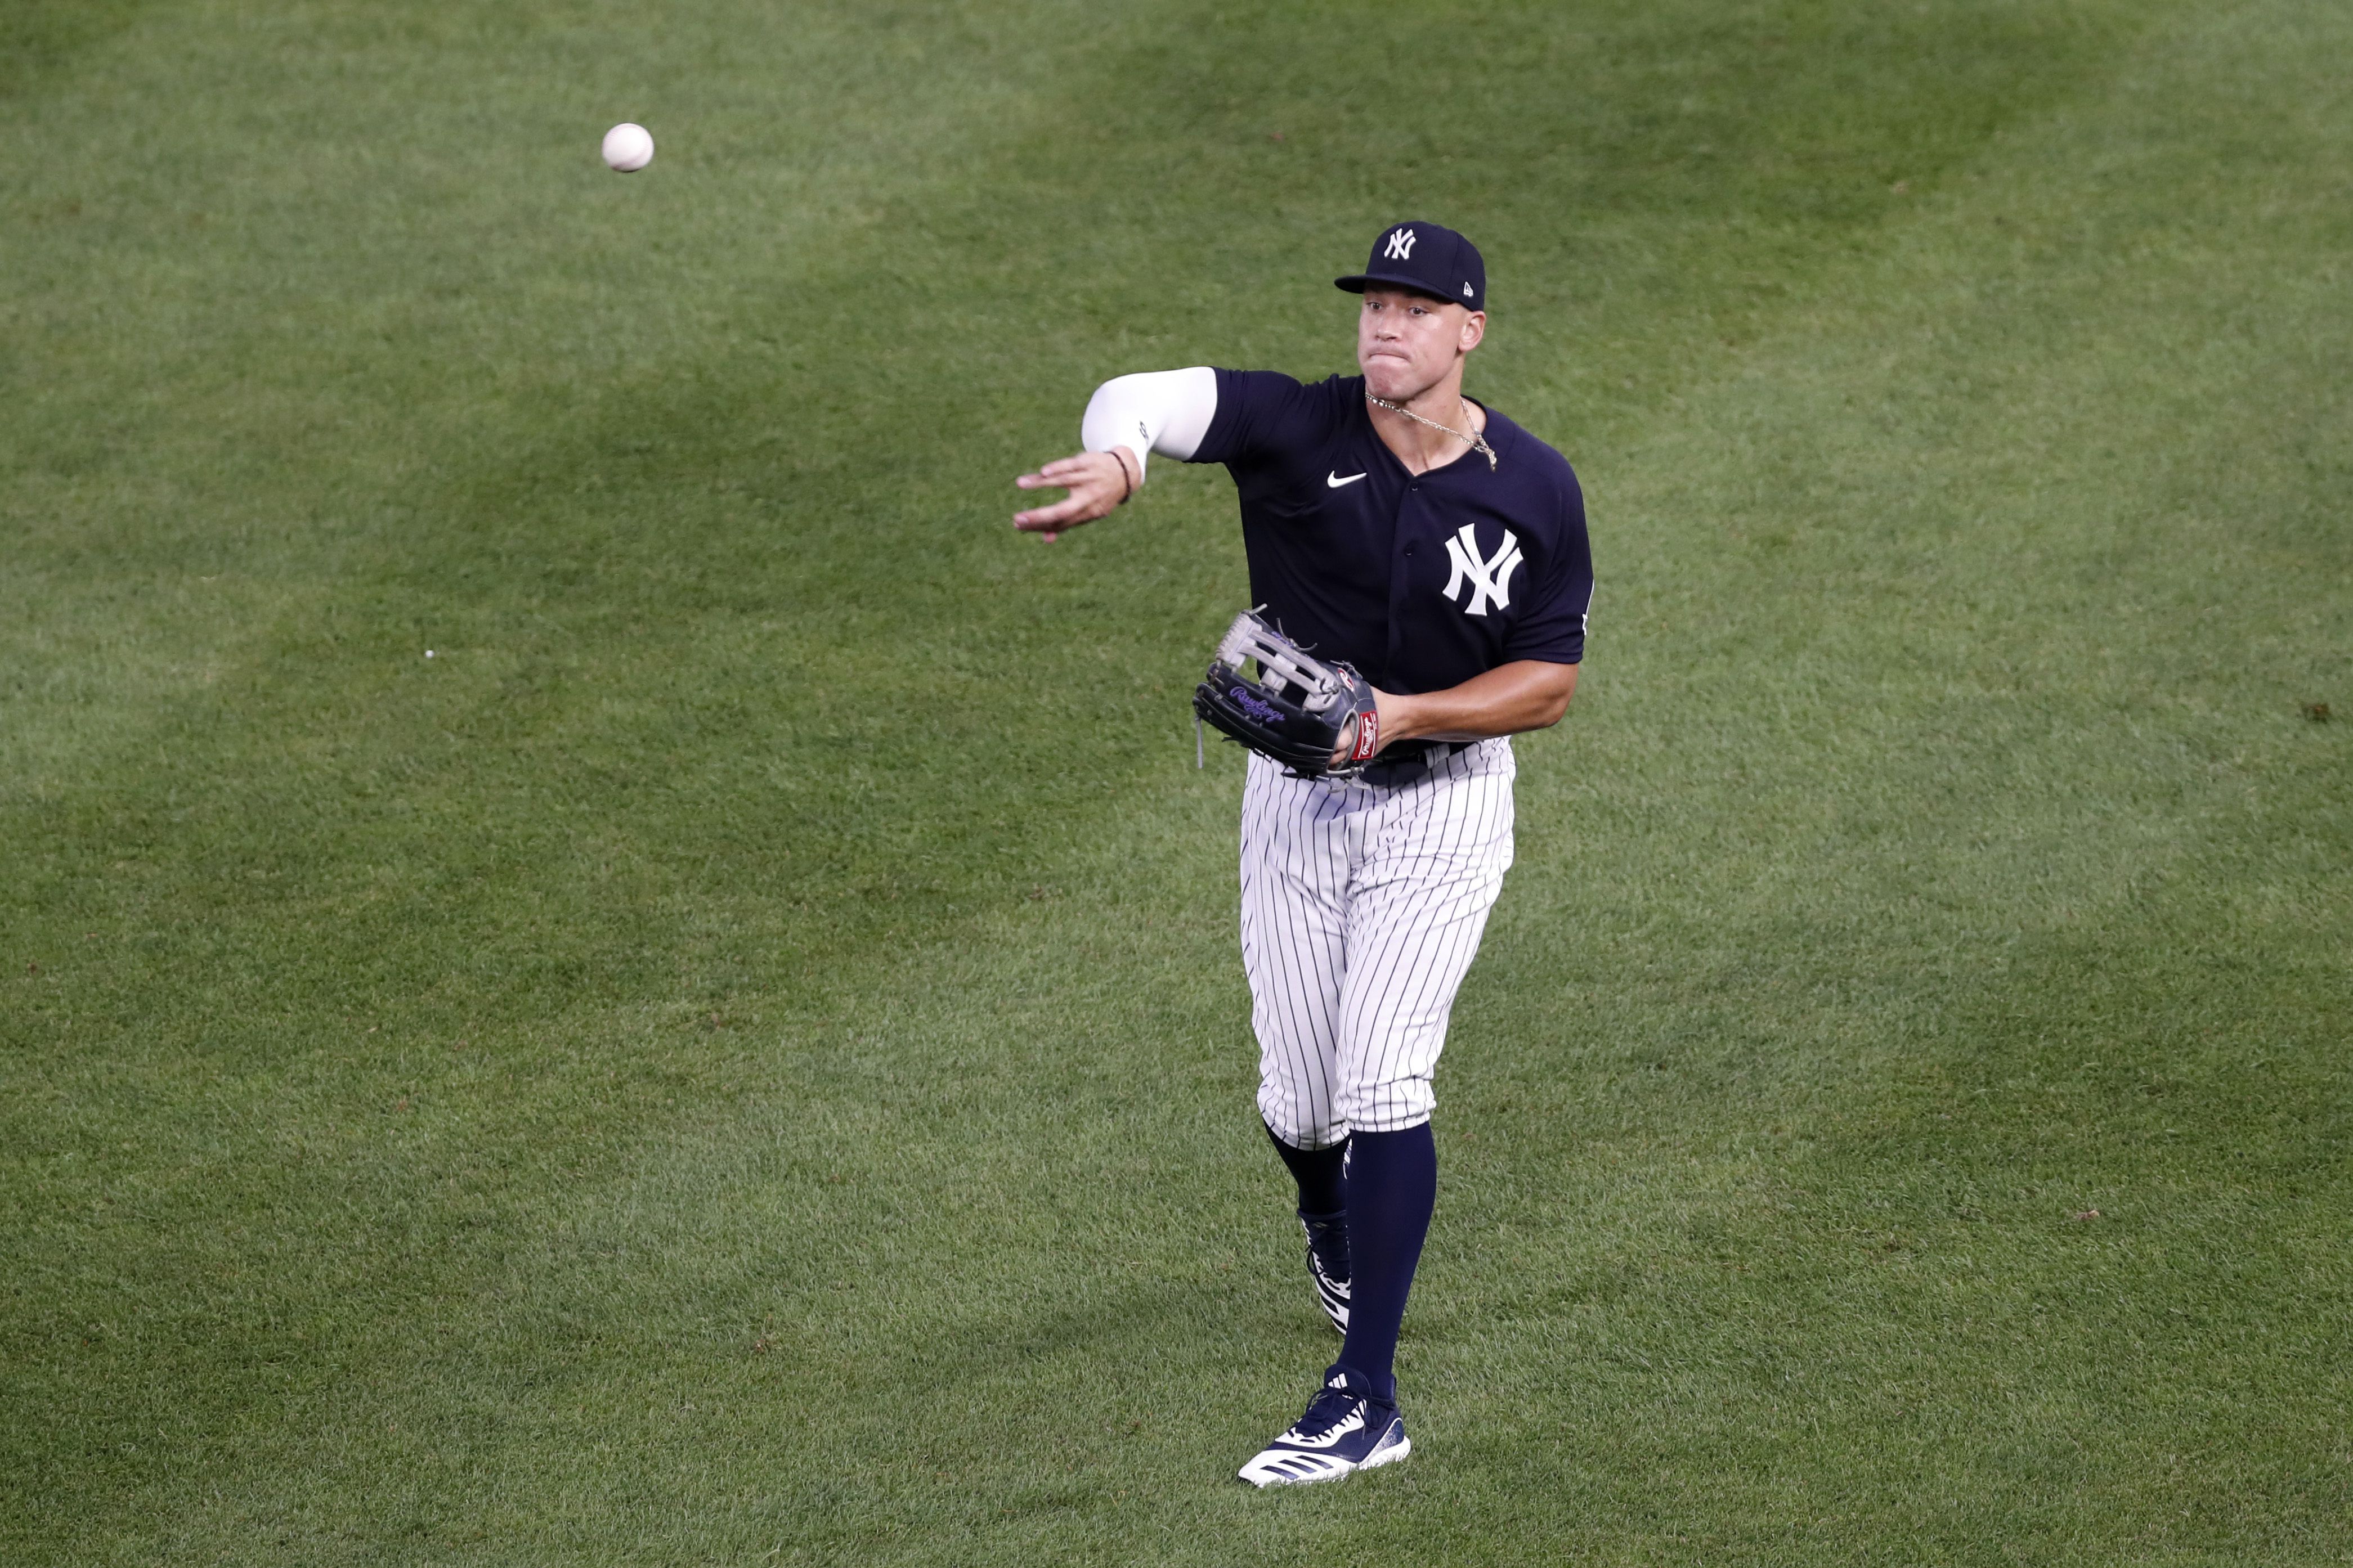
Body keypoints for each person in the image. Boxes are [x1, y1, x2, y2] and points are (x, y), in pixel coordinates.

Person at [1012, 221, 1593, 1486]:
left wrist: (1408, 714)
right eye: (1373, 305)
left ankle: (1365, 1393)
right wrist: (1123, 457)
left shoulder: (1534, 485)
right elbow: (1149, 396)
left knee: (1384, 1081)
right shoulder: (1294, 425)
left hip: (1441, 809)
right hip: (1292, 805)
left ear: (1468, 330)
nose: (1386, 327)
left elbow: (1549, 681)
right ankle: (1328, 1218)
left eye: (1415, 307)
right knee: (1299, 1097)